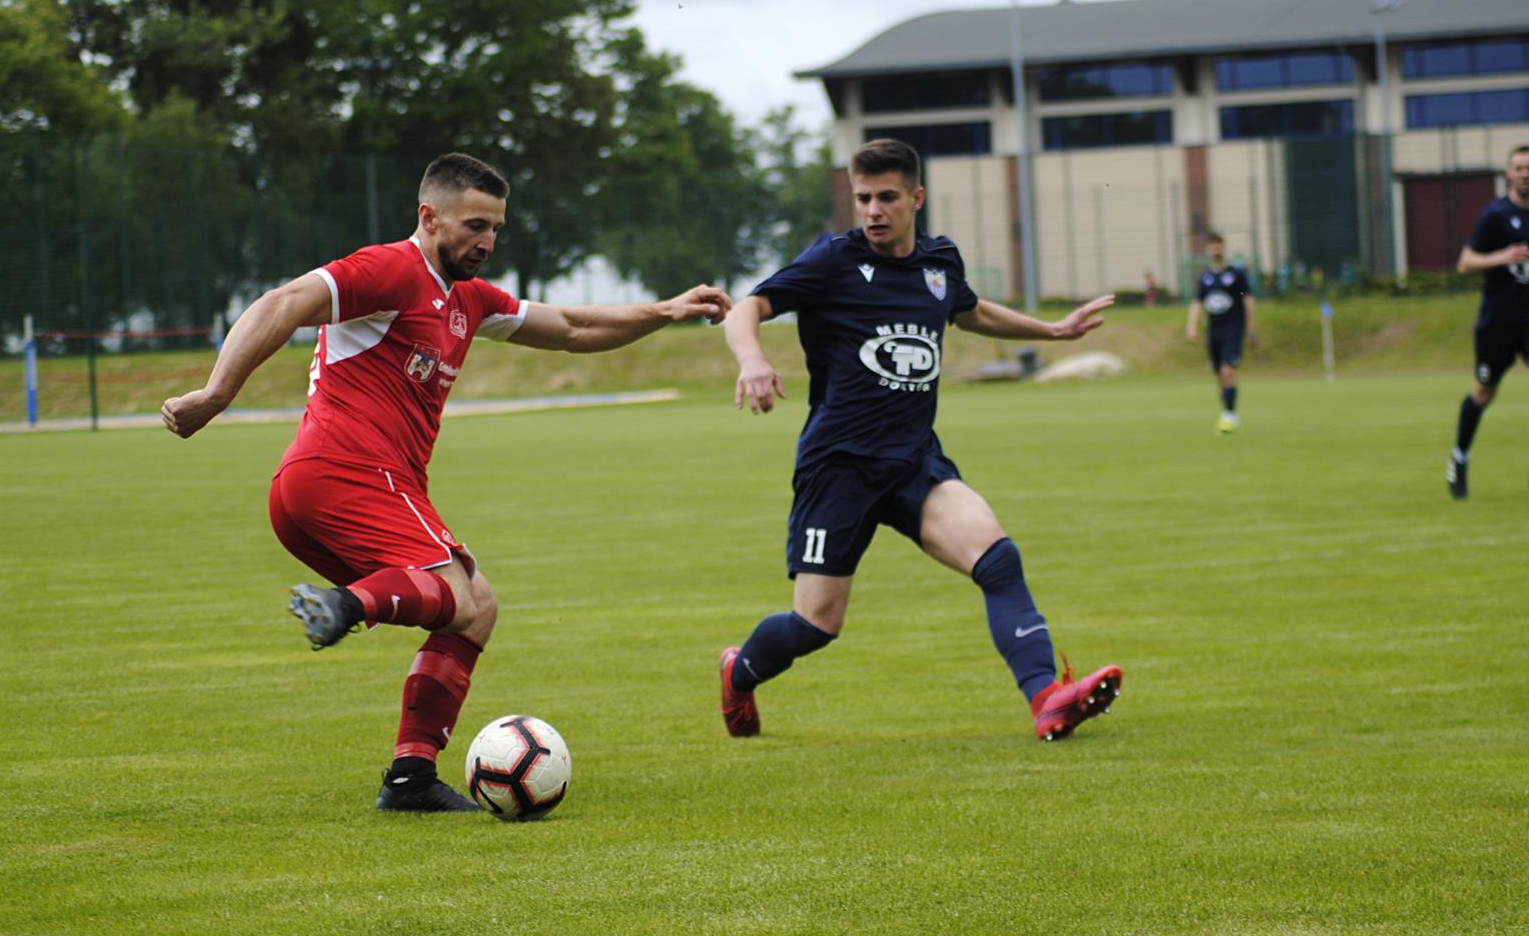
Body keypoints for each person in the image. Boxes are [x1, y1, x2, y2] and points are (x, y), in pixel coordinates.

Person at [163, 152, 730, 811]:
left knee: (476, 605)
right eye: (474, 225)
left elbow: (574, 327)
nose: (486, 242)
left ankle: (410, 776)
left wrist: (666, 309)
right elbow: (285, 301)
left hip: (332, 488)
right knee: (458, 597)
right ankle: (344, 605)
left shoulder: (468, 300)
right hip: (345, 472)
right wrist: (216, 392)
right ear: (428, 217)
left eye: (495, 229)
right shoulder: (393, 269)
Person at [716, 138, 1122, 744]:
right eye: (862, 198)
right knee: (816, 625)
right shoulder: (832, 260)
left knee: (998, 559)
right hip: (839, 468)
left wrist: (1053, 331)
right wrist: (752, 359)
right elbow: (746, 308)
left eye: (887, 197)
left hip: (913, 461)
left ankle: (1047, 699)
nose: (873, 210)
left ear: (916, 198)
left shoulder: (939, 263)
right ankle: (739, 674)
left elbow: (969, 309)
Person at [1446, 144, 1529, 500]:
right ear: (1508, 173)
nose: (1525, 173)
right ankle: (1460, 457)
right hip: (1498, 322)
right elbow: (1465, 263)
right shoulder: (1495, 215)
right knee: (1484, 391)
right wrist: (1503, 257)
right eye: (1520, 167)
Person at [1185, 234, 1255, 434]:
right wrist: (1192, 326)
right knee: (1218, 374)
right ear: (1207, 250)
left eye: (1218, 246)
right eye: (1212, 246)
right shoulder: (1206, 279)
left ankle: (1230, 414)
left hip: (1233, 329)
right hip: (1214, 331)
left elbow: (1247, 300)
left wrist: (1251, 329)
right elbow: (1198, 302)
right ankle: (1228, 410)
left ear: (1223, 248)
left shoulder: (1235, 276)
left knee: (1227, 371)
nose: (1215, 249)